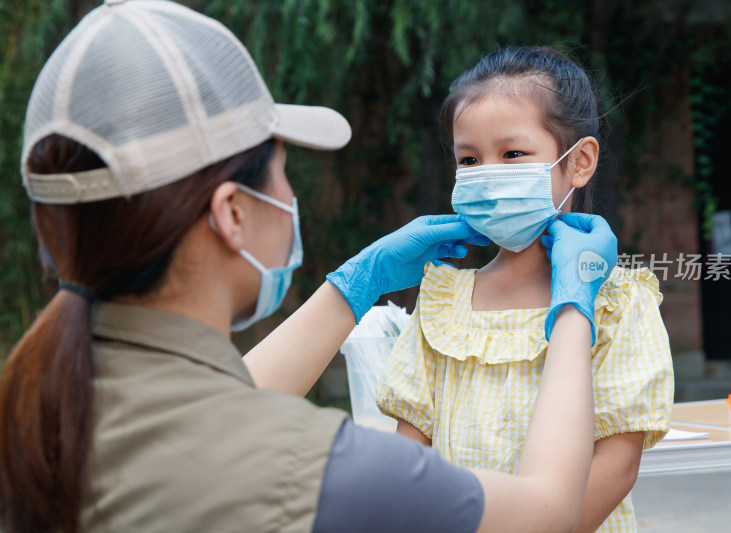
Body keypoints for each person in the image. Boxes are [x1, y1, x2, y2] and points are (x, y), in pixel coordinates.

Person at [0, 3, 616, 533]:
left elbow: (232, 397)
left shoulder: (43, 408)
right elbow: (544, 513)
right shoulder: (308, 465)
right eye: (283, 168)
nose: (291, 197)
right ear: (233, 213)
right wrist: (573, 311)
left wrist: (360, 281)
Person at [376, 46, 674, 533]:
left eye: (512, 154)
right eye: (469, 160)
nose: (488, 174)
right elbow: (412, 459)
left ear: (579, 162)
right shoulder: (441, 303)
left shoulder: (619, 301)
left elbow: (618, 465)